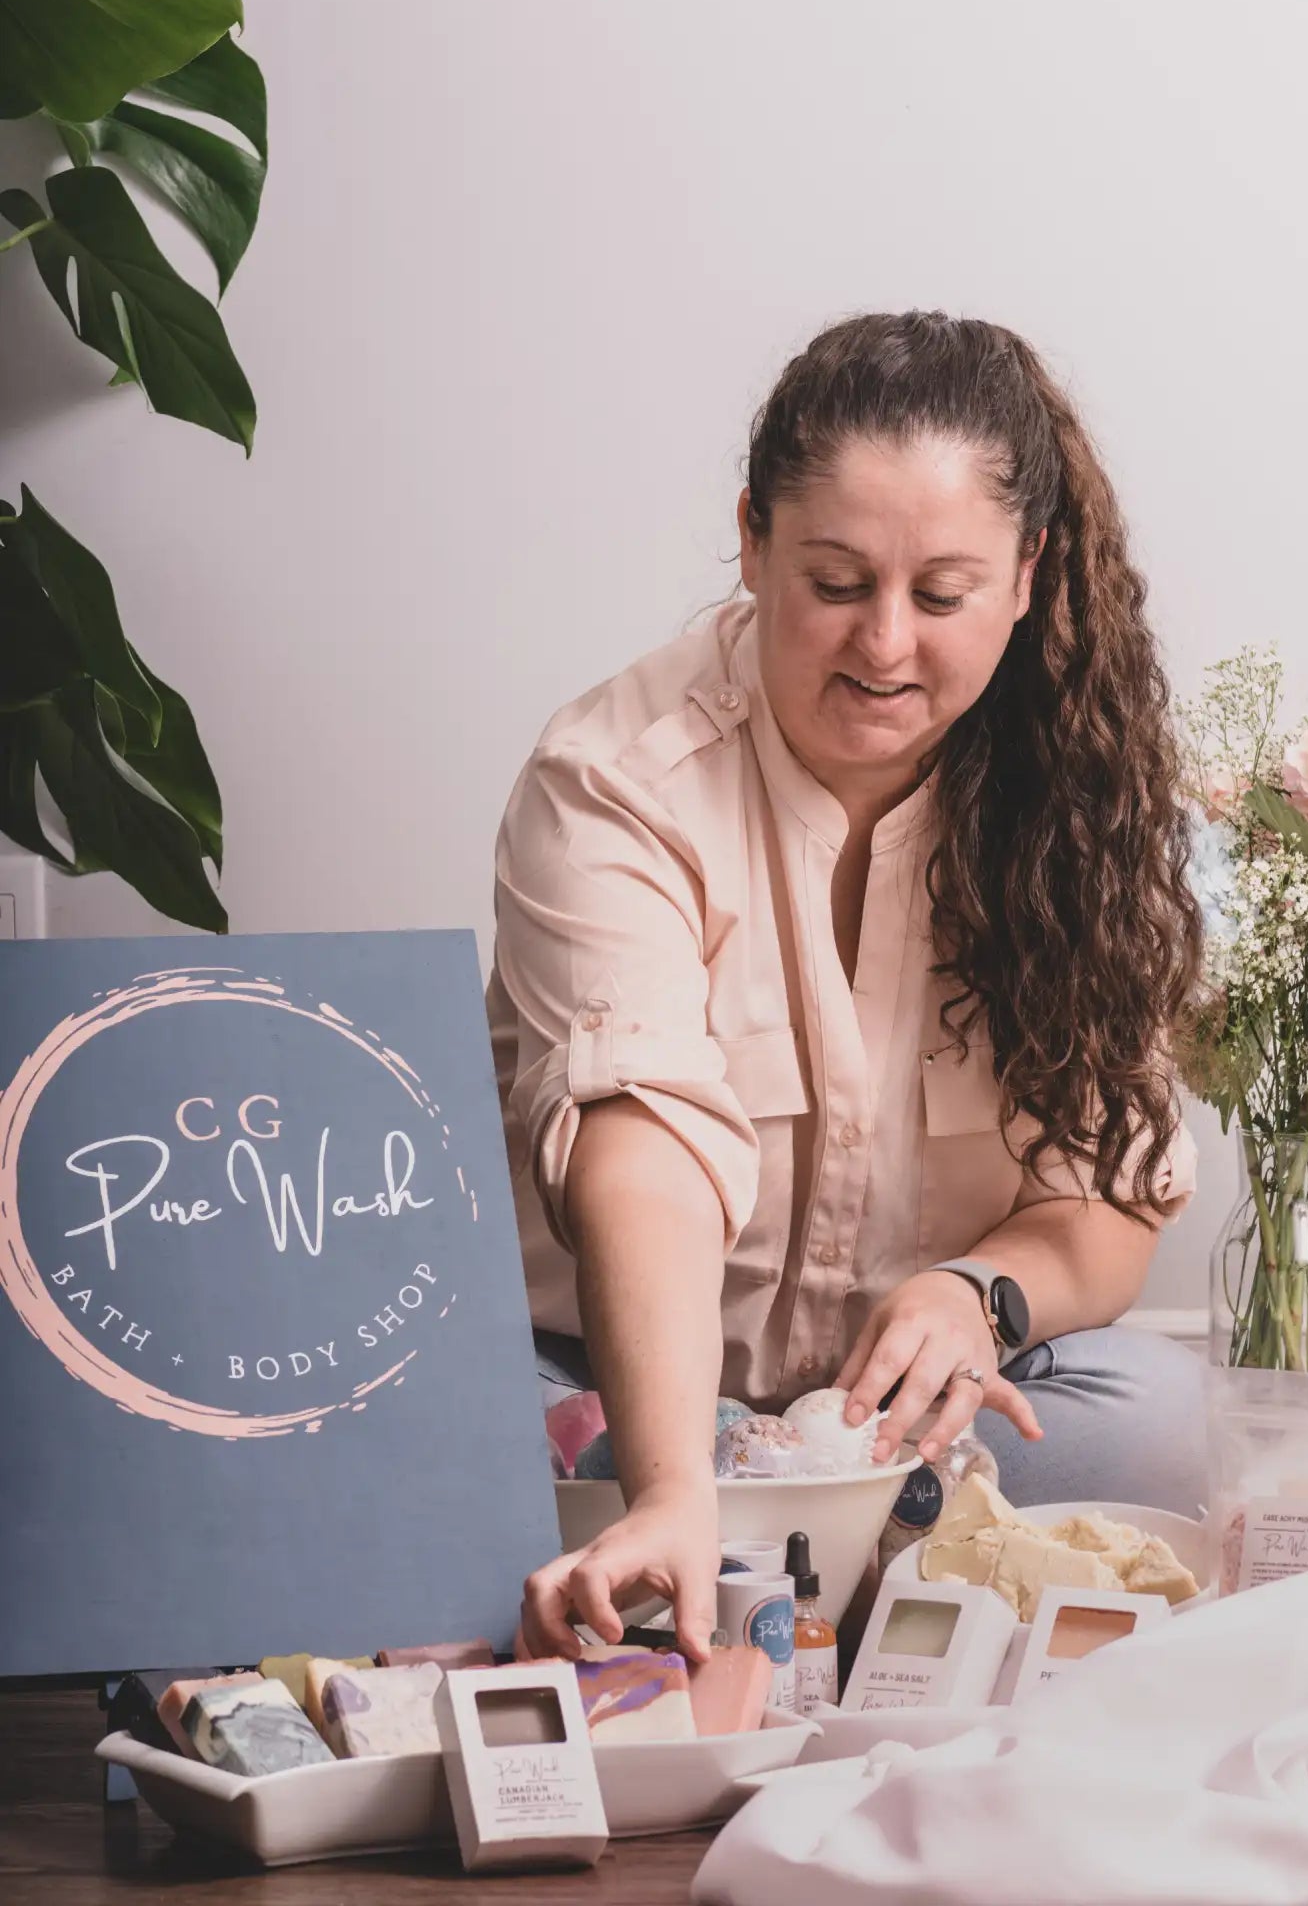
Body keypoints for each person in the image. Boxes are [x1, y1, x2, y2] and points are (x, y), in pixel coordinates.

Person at [487, 309, 1207, 1665]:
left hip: (913, 1411)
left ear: (1024, 572)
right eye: (832, 582)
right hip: (607, 1390)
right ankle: (768, 1545)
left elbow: (1099, 1205)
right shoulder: (611, 779)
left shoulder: (1082, 802)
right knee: (454, 1434)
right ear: (753, 537)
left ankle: (788, 1551)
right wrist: (669, 1485)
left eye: (940, 595)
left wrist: (972, 1296)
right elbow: (643, 1146)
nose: (882, 645)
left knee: (1159, 1418)